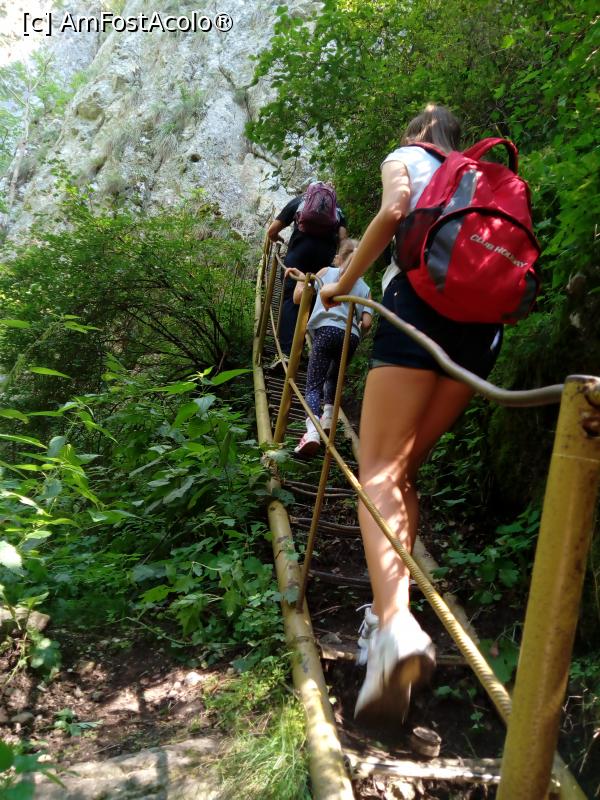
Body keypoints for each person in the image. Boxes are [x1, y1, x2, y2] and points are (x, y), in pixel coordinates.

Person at [319, 104, 503, 726]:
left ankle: (396, 625)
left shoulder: (407, 157)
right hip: (483, 331)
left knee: (376, 471)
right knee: (401, 474)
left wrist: (341, 281)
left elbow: (395, 211)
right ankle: (383, 622)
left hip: (420, 308)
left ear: (419, 133)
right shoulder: (478, 175)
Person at [285, 238, 372, 457]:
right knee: (333, 378)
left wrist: (301, 279)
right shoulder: (365, 288)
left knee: (314, 385)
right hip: (350, 337)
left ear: (338, 258)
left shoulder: (327, 272)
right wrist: (356, 330)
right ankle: (327, 419)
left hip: (325, 332)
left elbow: (299, 298)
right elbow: (367, 323)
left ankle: (312, 432)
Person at [267, 183, 347, 357]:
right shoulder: (338, 210)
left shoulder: (299, 201)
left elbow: (272, 231)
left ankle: (286, 353)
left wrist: (280, 240)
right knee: (314, 299)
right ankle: (304, 349)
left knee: (291, 299)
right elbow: (343, 241)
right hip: (324, 260)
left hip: (298, 255)